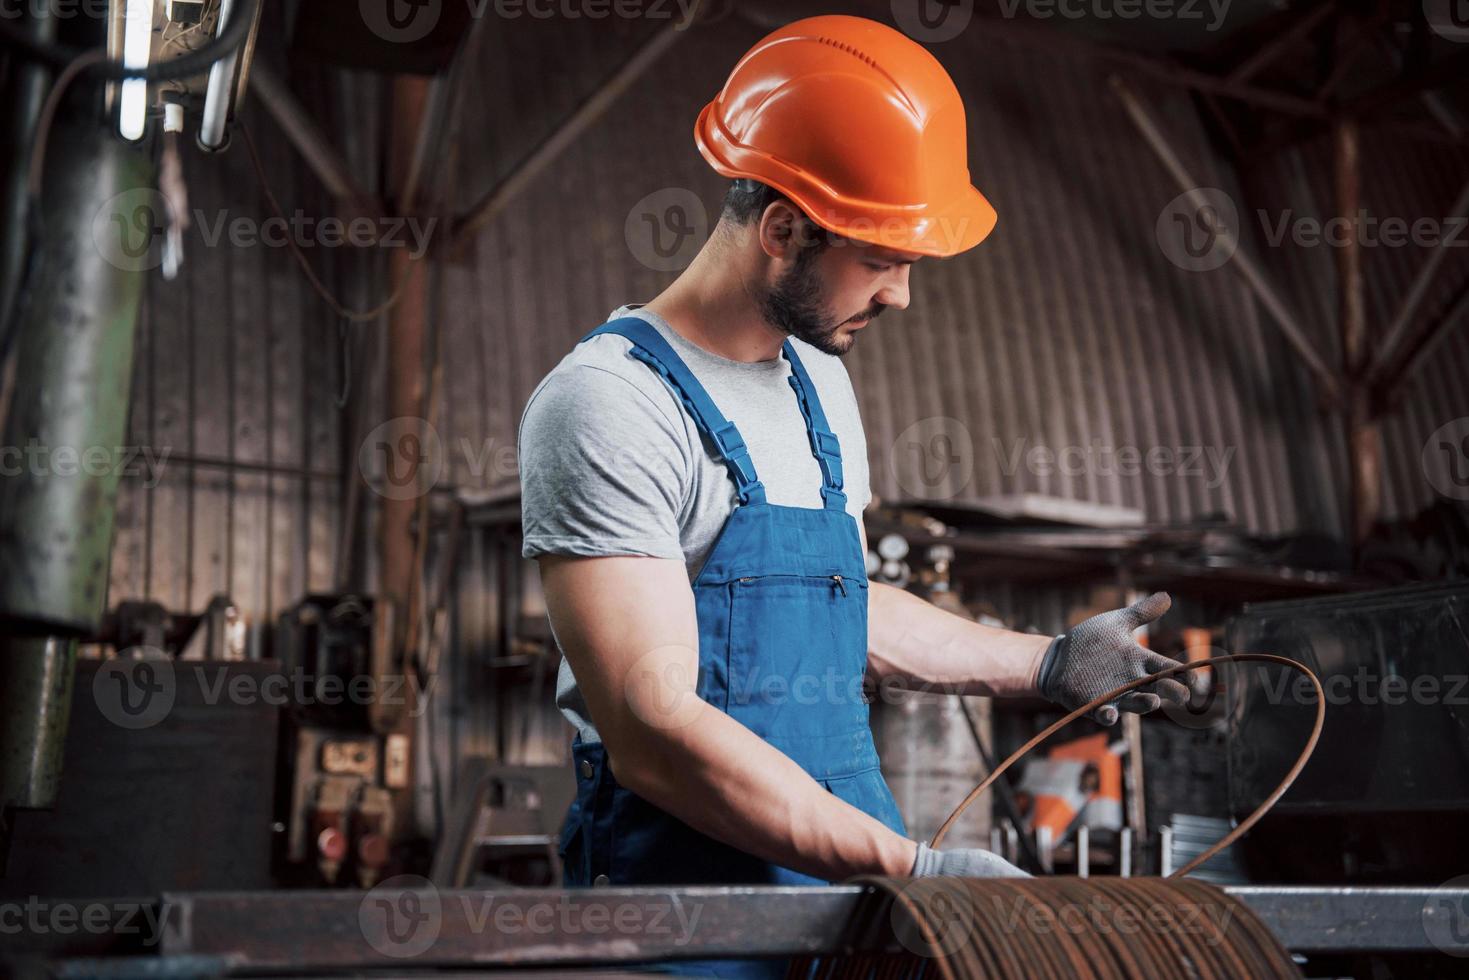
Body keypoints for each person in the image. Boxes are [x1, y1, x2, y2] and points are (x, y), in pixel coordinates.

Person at [517, 15, 1198, 977]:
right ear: (783, 229)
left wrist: (1046, 663)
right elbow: (655, 731)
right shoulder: (607, 405)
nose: (902, 296)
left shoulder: (818, 380)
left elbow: (836, 610)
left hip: (841, 878)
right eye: (882, 260)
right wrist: (914, 868)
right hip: (682, 911)